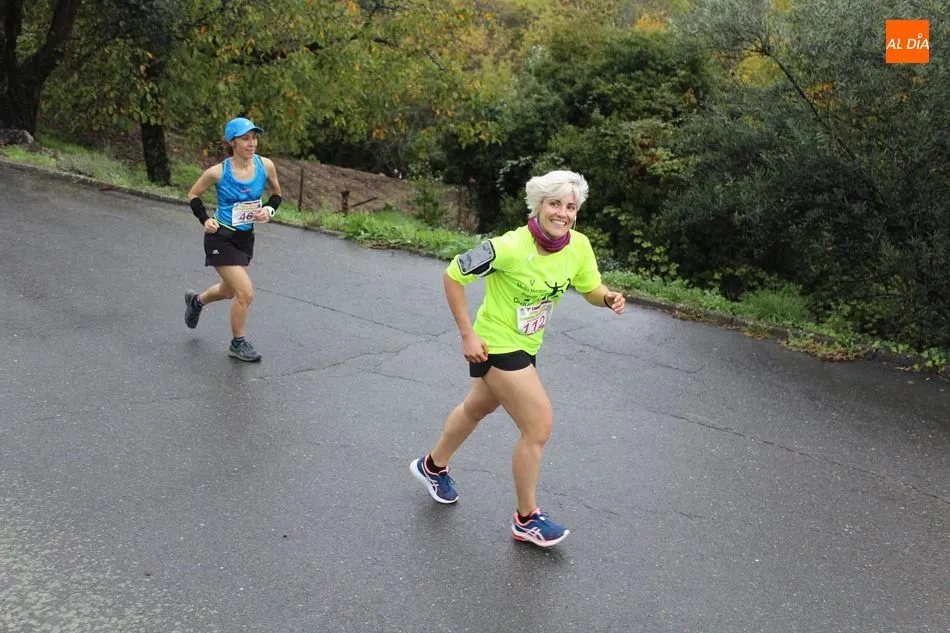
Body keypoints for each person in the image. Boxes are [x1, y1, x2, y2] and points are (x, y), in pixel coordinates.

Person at [410, 170, 626, 547]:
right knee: (538, 425)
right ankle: (526, 519)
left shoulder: (578, 246)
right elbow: (453, 275)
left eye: (570, 207)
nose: (562, 213)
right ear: (538, 205)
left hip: (527, 344)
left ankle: (432, 466)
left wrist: (606, 297)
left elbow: (589, 286)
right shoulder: (510, 246)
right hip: (494, 344)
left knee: (476, 408)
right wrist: (467, 333)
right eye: (555, 204)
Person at [183, 117, 282, 362]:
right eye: (245, 139)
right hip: (220, 237)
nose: (252, 143)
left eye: (254, 138)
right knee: (245, 293)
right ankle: (238, 344)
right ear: (232, 142)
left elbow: (277, 195)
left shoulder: (265, 165)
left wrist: (269, 210)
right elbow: (193, 195)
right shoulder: (217, 172)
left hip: (245, 238)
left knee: (229, 291)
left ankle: (196, 302)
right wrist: (204, 219)